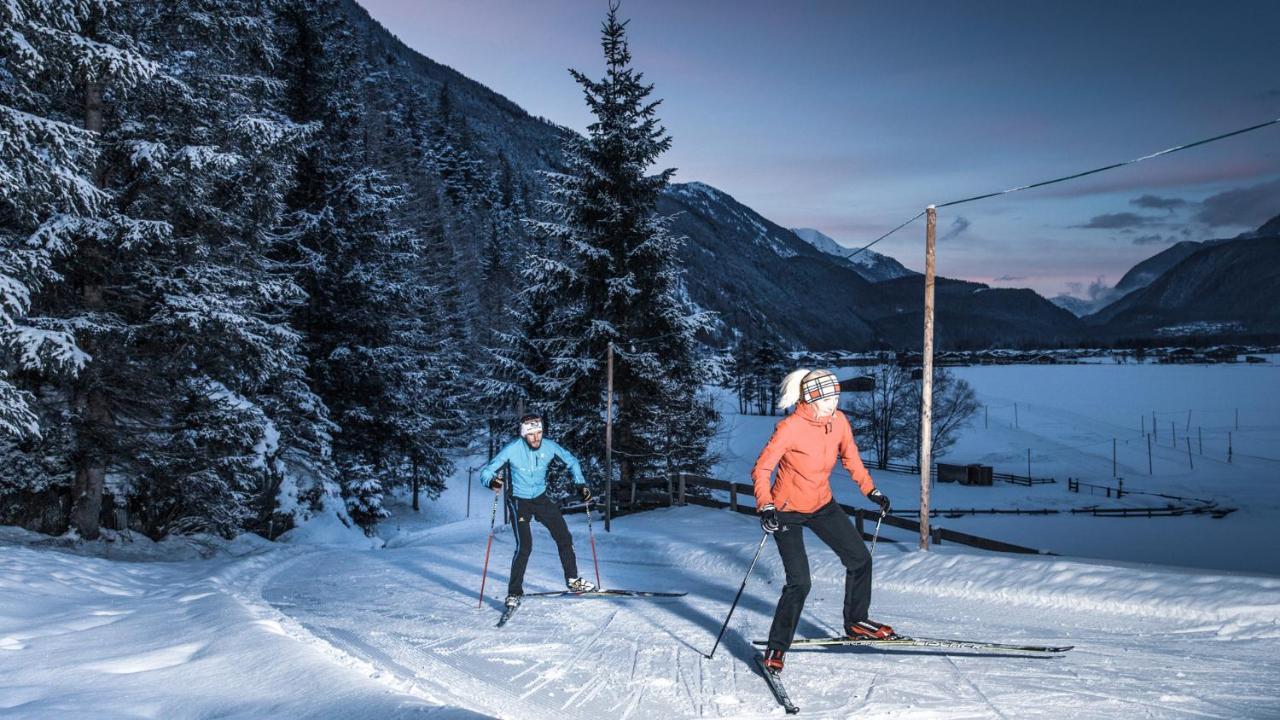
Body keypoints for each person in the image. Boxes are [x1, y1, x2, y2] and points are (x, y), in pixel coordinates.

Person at [751, 369, 894, 673]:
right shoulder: (789, 428)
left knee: (860, 559)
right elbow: (762, 469)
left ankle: (856, 621)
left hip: (822, 503)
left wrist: (872, 490)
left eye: (836, 397)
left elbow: (851, 457)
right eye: (828, 398)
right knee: (800, 582)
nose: (834, 403)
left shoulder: (838, 421)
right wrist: (766, 506)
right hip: (787, 510)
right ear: (812, 399)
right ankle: (776, 647)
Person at [479, 414, 596, 608]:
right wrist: (492, 481)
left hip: (541, 498)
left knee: (564, 537)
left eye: (539, 433)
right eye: (531, 434)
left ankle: (573, 581)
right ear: (524, 434)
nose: (536, 438)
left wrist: (580, 484)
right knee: (525, 546)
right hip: (519, 501)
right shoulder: (513, 449)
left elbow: (572, 461)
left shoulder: (549, 446)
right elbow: (486, 472)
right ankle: (514, 593)